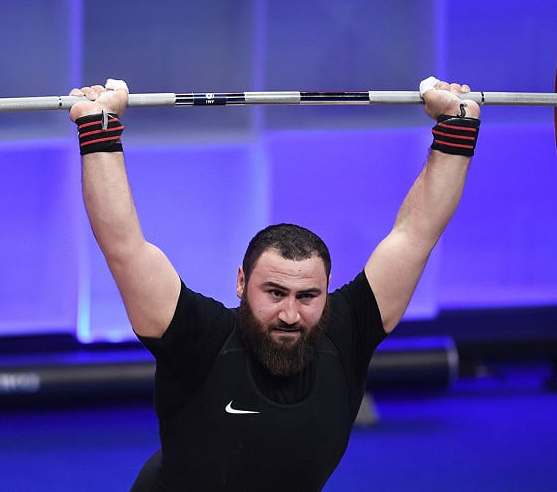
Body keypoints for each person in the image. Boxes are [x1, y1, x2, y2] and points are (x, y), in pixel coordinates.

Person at [68, 78, 481, 491]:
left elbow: (416, 235)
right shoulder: (199, 337)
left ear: (326, 290)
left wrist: (456, 126)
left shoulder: (347, 330)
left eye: (307, 296)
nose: (290, 314)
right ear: (241, 282)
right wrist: (99, 127)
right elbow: (124, 248)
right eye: (274, 293)